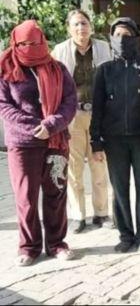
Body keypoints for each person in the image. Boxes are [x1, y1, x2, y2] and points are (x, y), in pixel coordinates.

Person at [0, 20, 77, 266]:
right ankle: (29, 247)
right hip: (23, 144)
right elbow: (4, 106)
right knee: (26, 197)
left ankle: (56, 243)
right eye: (25, 44)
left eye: (36, 42)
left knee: (56, 194)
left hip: (55, 141)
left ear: (43, 41)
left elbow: (70, 101)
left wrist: (52, 125)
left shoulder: (58, 69)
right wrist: (35, 128)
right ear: (15, 43)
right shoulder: (5, 69)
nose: (31, 48)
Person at [90, 17, 140, 254]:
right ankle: (126, 235)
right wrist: (96, 141)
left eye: (126, 35)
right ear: (111, 38)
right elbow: (97, 108)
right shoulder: (104, 70)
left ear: (135, 38)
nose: (121, 39)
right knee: (119, 189)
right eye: (117, 35)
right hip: (114, 139)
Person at [52, 10, 112, 234]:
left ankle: (101, 212)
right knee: (74, 168)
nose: (81, 28)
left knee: (99, 164)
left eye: (84, 23)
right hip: (72, 116)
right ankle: (78, 215)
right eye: (76, 24)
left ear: (91, 26)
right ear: (69, 28)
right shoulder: (60, 51)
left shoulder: (103, 48)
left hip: (98, 114)